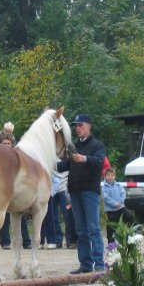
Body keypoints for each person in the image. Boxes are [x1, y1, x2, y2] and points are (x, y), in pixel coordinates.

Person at [57, 114, 106, 274]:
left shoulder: (97, 145)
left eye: (80, 125)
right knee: (80, 230)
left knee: (93, 228)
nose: (78, 128)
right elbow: (63, 166)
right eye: (76, 126)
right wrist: (50, 160)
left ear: (89, 126)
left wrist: (84, 159)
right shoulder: (73, 146)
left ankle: (99, 263)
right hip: (75, 191)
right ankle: (85, 264)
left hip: (89, 191)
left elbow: (100, 162)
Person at [0, 133, 32, 250]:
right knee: (4, 217)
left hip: (17, 190)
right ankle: (5, 242)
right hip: (2, 190)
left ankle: (26, 242)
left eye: (8, 143)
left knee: (21, 215)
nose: (6, 145)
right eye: (4, 143)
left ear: (12, 144)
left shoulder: (18, 157)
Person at [102, 167, 136, 243]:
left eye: (112, 175)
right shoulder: (104, 188)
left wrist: (120, 202)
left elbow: (123, 193)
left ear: (115, 176)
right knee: (112, 226)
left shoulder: (118, 185)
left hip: (121, 207)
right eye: (108, 175)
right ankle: (111, 243)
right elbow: (106, 198)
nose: (110, 177)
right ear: (105, 176)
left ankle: (137, 232)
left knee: (130, 217)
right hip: (111, 210)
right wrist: (114, 204)